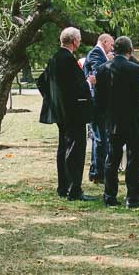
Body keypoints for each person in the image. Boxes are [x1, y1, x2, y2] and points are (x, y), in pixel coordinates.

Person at [97, 36, 139, 208]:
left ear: (114, 50)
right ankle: (132, 197)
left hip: (113, 120)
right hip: (132, 120)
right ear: (130, 51)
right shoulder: (134, 69)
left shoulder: (103, 68)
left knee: (112, 158)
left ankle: (109, 195)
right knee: (133, 158)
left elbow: (100, 99)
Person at [42, 27, 94, 201]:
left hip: (59, 111)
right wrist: (89, 82)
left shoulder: (54, 58)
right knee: (75, 149)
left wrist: (53, 100)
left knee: (63, 148)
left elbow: (42, 82)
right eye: (79, 39)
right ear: (75, 41)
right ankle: (74, 189)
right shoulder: (68, 60)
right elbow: (77, 87)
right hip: (73, 112)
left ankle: (63, 186)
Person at [84, 33, 114, 185]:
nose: (112, 48)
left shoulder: (99, 53)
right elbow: (98, 73)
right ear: (105, 41)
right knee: (100, 137)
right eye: (111, 44)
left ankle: (96, 170)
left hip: (99, 101)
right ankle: (98, 172)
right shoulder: (96, 53)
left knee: (99, 137)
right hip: (98, 101)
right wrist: (108, 62)